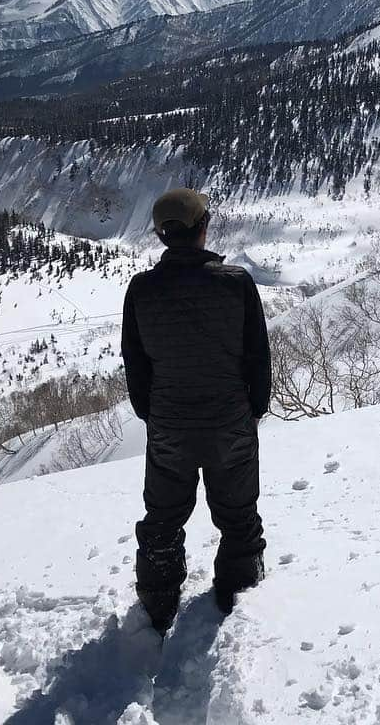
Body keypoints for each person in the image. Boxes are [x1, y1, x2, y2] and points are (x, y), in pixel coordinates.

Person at [121, 187, 271, 634]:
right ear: (203, 227)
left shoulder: (141, 290)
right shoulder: (235, 282)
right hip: (229, 420)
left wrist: (154, 413)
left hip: (170, 423)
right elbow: (256, 357)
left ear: (162, 236)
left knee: (164, 516)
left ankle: (158, 601)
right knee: (238, 514)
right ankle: (239, 593)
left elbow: (136, 362)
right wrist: (253, 409)